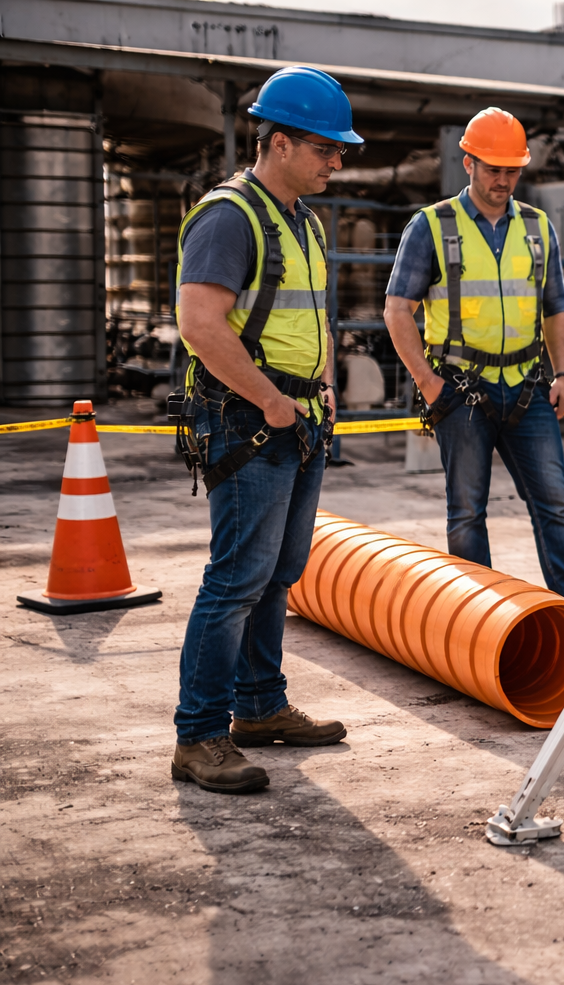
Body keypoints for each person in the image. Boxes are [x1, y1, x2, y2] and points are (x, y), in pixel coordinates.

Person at [170, 66, 360, 794]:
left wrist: (323, 388)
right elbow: (199, 324)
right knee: (235, 580)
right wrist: (272, 401)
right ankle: (198, 737)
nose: (336, 162)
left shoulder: (303, 221)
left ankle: (258, 707)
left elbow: (310, 320)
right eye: (325, 148)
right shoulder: (229, 217)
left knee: (278, 574)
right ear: (280, 143)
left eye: (339, 150)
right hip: (249, 420)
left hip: (298, 418)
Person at [384, 108, 564, 608]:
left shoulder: (537, 227)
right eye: (493, 169)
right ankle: (481, 619)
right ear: (468, 164)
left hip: (528, 387)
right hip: (461, 392)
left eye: (512, 170)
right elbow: (396, 311)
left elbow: (556, 307)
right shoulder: (431, 226)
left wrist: (563, 374)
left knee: (555, 507)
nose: (503, 180)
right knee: (466, 514)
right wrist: (429, 383)